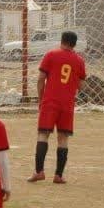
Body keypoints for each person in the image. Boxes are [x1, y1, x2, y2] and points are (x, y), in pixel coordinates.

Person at [29, 31, 86, 184]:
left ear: (61, 40)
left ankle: (39, 172)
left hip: (50, 102)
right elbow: (81, 85)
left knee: (43, 135)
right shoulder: (79, 61)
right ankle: (58, 175)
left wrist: (41, 99)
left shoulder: (50, 55)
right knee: (63, 138)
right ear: (74, 44)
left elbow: (41, 79)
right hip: (67, 104)